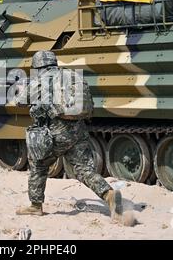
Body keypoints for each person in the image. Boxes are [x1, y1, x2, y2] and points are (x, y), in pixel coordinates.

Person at [15, 51, 123, 221]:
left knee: (38, 164)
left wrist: (23, 88)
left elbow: (20, 101)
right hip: (78, 131)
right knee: (83, 169)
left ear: (37, 65)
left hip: (56, 133)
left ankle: (35, 206)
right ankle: (109, 195)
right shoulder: (71, 75)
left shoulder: (40, 80)